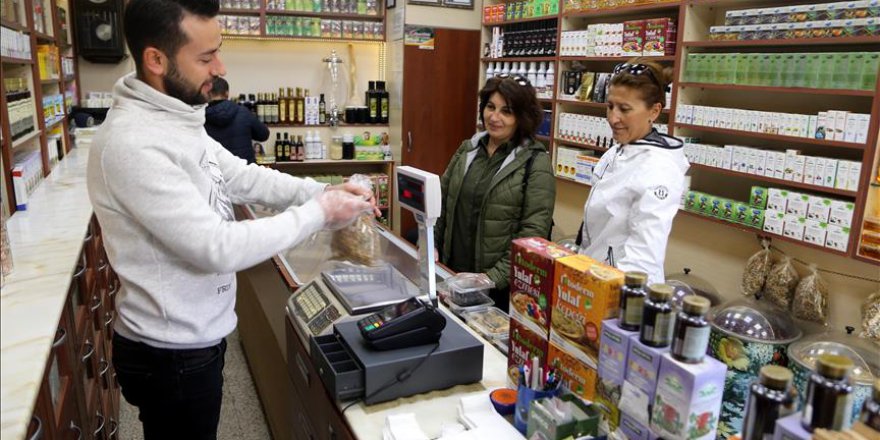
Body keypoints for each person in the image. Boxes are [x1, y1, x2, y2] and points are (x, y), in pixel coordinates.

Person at [86, 0, 376, 438]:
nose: (220, 68)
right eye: (205, 57)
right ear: (155, 59)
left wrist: (322, 191)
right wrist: (318, 214)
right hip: (171, 353)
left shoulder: (177, 115)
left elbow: (238, 175)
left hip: (197, 338)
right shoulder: (132, 142)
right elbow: (217, 247)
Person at [434, 74, 555, 311]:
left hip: (496, 289)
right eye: (490, 107)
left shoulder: (535, 162)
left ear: (522, 117)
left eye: (506, 111)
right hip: (452, 274)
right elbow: (442, 202)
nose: (494, 117)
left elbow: (533, 235)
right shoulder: (468, 149)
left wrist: (491, 278)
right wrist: (432, 244)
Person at [579, 59, 689, 285]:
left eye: (624, 109)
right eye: (610, 106)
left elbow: (643, 257)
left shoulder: (659, 168)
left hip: (621, 293)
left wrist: (611, 298)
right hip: (595, 277)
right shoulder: (617, 152)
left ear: (654, 111)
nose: (613, 118)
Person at [204, 76, 269, 164]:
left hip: (216, 172)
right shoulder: (243, 112)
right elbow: (264, 135)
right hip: (244, 171)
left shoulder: (201, 117)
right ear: (227, 93)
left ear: (208, 93)